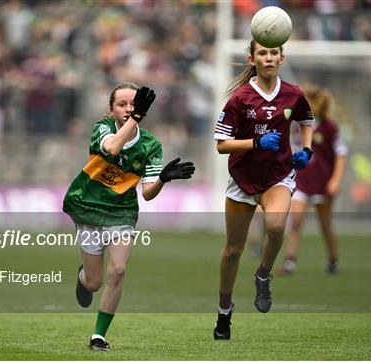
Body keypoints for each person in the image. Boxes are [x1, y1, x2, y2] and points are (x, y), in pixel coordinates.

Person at [62, 83, 195, 351]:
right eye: (122, 104)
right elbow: (111, 149)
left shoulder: (151, 145)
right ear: (111, 110)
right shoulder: (102, 129)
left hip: (122, 211)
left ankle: (98, 336)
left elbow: (147, 193)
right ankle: (83, 278)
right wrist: (134, 120)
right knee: (94, 282)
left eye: (133, 104)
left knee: (119, 270)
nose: (128, 108)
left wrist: (163, 179)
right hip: (87, 205)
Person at [213, 40, 314, 340]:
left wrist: (306, 150)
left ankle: (263, 274)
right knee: (233, 251)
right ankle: (224, 312)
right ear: (252, 58)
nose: (268, 57)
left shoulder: (294, 93)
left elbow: (306, 121)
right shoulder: (240, 98)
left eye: (273, 53)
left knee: (275, 226)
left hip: (277, 176)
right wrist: (255, 143)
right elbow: (221, 145)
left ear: (282, 57)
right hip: (243, 180)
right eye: (262, 53)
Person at [278, 85, 348, 276]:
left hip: (323, 183)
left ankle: (333, 260)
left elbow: (341, 154)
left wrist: (335, 180)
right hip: (301, 181)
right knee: (295, 222)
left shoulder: (329, 127)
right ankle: (290, 262)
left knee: (325, 225)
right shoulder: (296, 126)